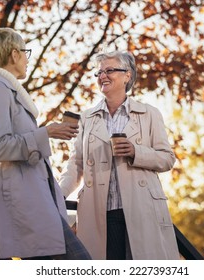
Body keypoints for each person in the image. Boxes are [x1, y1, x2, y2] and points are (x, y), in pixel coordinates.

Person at [0, 27, 91, 260]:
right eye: (25, 52)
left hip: (37, 197)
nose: (27, 59)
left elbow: (20, 140)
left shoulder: (8, 90)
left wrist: (46, 133)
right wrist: (45, 133)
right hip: (25, 201)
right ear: (14, 55)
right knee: (79, 262)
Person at [59, 50, 180, 260]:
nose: (103, 76)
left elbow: (167, 158)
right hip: (99, 211)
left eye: (110, 70)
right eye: (99, 73)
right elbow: (76, 164)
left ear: (128, 75)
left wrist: (136, 152)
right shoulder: (87, 118)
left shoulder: (149, 114)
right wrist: (58, 195)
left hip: (141, 208)